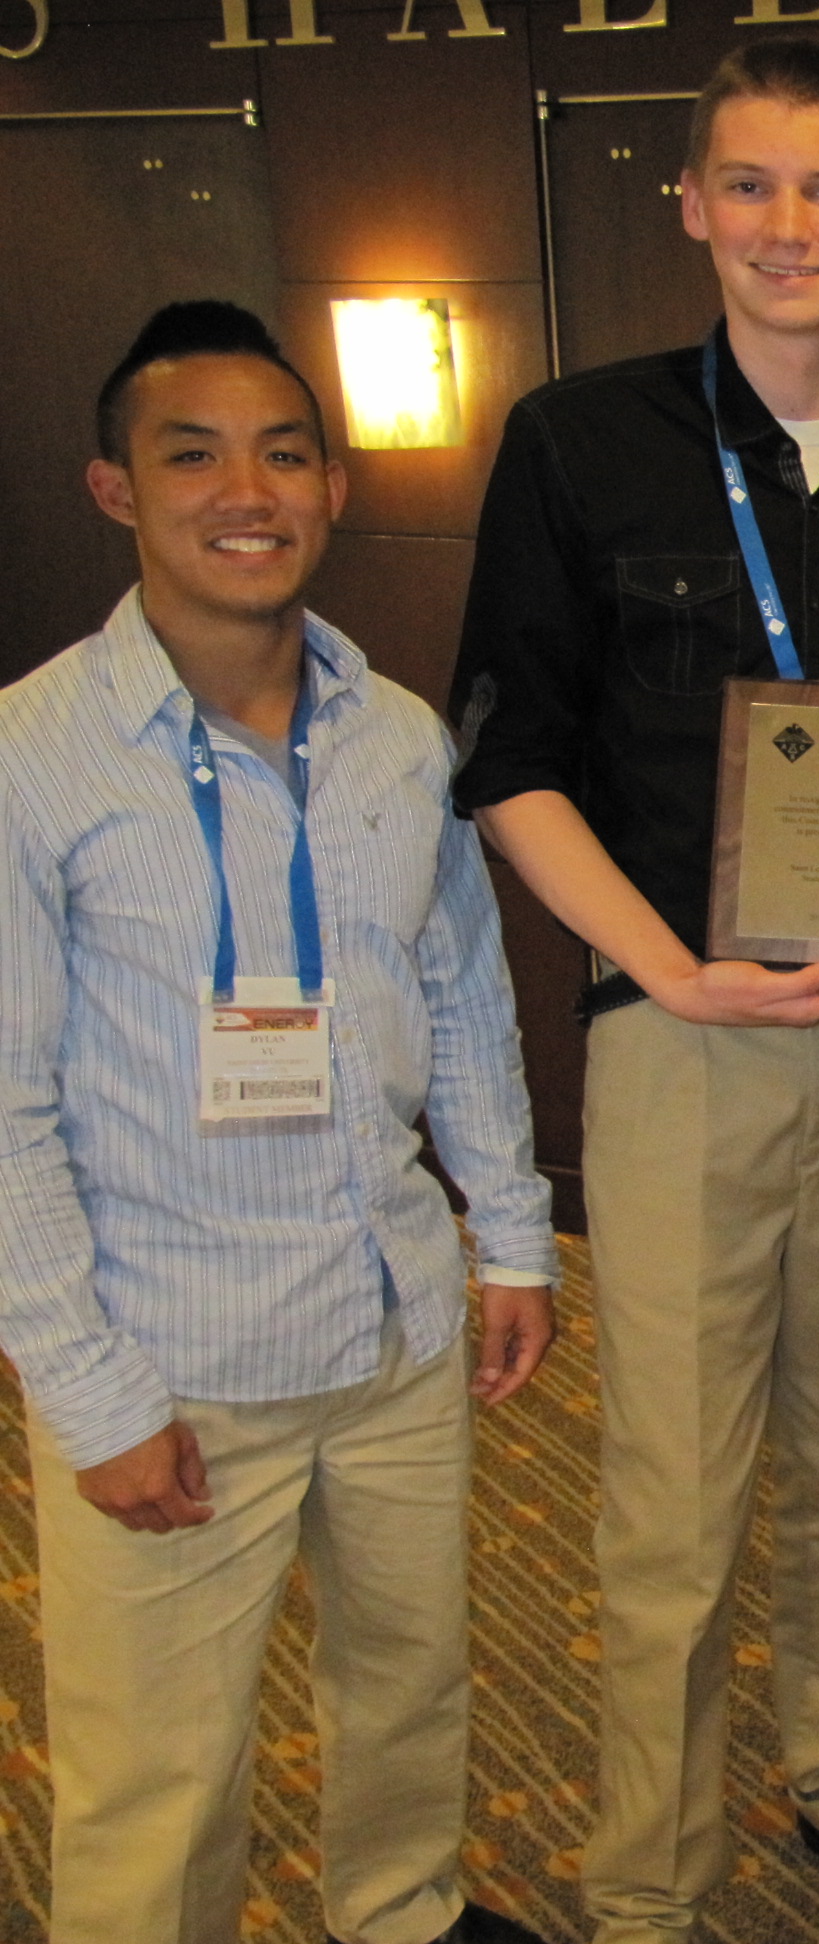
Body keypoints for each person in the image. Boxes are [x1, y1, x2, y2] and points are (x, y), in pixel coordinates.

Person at [447, 38, 819, 1944]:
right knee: (675, 1514)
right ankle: (648, 1886)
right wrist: (668, 971)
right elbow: (510, 759)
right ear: (693, 204)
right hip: (680, 1049)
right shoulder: (577, 440)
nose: (792, 228)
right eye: (752, 187)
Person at [0, 301, 557, 1944]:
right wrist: (89, 1394)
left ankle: (402, 1912)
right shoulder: (33, 757)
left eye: (284, 452)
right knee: (157, 1776)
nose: (247, 488)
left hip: (389, 1328)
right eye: (195, 454)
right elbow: (4, 1110)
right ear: (117, 491)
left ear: (330, 487)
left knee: (409, 1691)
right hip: (168, 1354)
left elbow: (462, 1005)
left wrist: (510, 1238)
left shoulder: (393, 737)